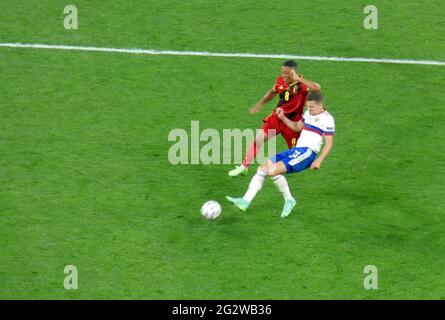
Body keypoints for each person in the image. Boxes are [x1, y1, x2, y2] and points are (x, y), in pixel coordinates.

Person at [226, 91, 335, 218]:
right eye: (307, 106)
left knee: (272, 171)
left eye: (311, 107)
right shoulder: (307, 113)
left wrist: (319, 160)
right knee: (262, 168)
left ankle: (289, 200)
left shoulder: (327, 119)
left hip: (307, 153)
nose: (308, 109)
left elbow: (329, 144)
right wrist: (283, 118)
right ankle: (245, 201)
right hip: (296, 151)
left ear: (320, 105)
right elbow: (296, 127)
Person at [228, 60, 321, 177]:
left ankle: (290, 172)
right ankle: (244, 166)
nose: (284, 75)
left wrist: (299, 79)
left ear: (293, 72)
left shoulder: (302, 85)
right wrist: (260, 104)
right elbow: (272, 92)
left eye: (287, 73)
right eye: (282, 72)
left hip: (292, 123)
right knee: (258, 140)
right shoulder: (280, 81)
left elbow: (316, 88)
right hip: (277, 118)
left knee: (295, 153)